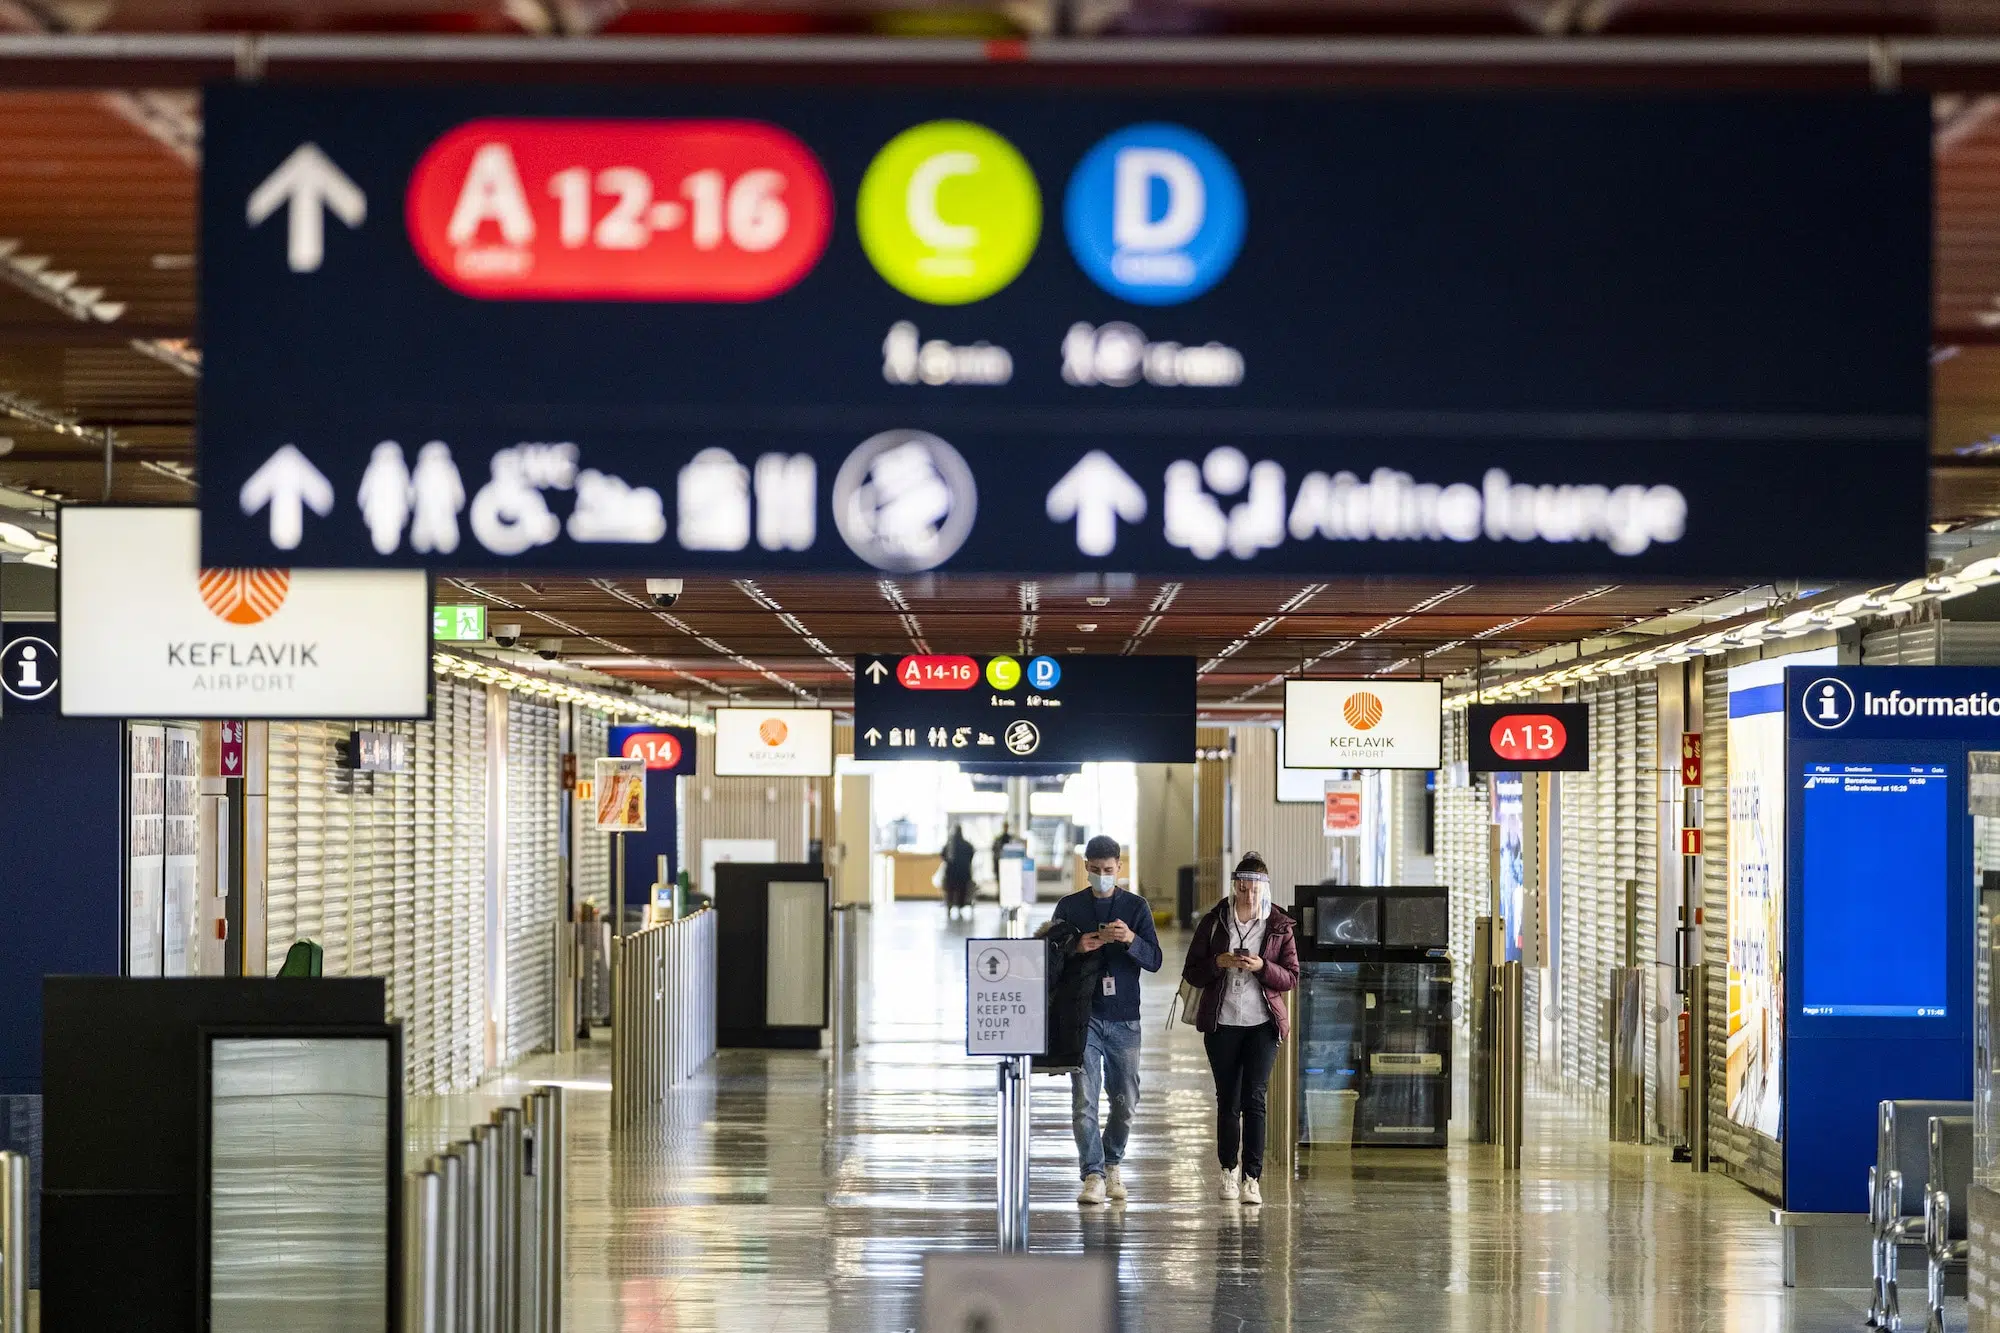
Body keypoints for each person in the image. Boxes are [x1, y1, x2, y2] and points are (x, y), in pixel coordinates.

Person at [1180, 852, 1299, 1206]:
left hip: (1262, 1024)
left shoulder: (1278, 925)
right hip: (1223, 1022)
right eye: (1242, 889)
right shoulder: (1215, 921)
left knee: (1255, 1099)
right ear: (1234, 887)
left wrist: (1263, 966)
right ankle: (1228, 1170)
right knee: (1228, 1100)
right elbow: (1192, 970)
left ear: (1265, 889)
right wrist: (1218, 962)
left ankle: (1252, 1178)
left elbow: (1291, 976)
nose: (1248, 897)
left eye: (1254, 890)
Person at [1050, 834, 1162, 1205]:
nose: (1102, 876)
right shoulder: (1069, 907)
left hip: (1125, 1016)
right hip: (1084, 1017)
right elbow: (1049, 956)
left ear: (1119, 868)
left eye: (1109, 870)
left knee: (1125, 1099)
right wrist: (1076, 945)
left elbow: (1155, 959)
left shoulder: (1136, 907)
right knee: (1084, 1098)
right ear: (1086, 868)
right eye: (1095, 870)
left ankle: (1113, 1161)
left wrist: (1130, 939)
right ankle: (1093, 1173)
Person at [940, 824, 976, 919]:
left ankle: (949, 906)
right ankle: (960, 906)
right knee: (962, 891)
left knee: (950, 891)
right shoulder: (967, 845)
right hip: (964, 872)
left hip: (951, 873)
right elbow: (971, 854)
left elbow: (943, 855)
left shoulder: (949, 845)